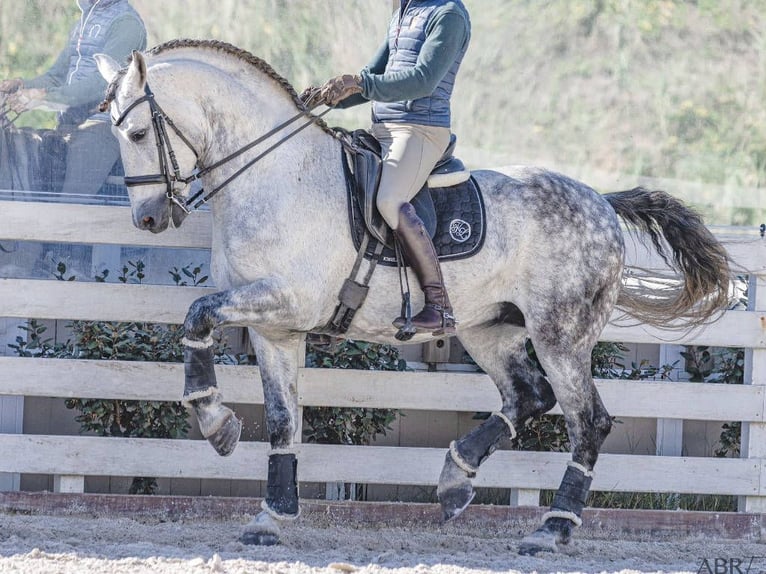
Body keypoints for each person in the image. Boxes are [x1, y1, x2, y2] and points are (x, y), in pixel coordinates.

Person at [303, 0, 471, 336]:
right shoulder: (404, 12)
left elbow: (423, 80)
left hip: (419, 129)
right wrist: (331, 96)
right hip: (382, 127)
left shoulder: (449, 14)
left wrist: (362, 84)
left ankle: (439, 305)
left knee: (390, 201)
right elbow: (373, 76)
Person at [0, 0, 146, 198]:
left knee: (69, 202)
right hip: (70, 122)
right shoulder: (86, 19)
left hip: (103, 125)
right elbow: (56, 76)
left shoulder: (126, 23)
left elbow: (101, 83)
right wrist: (22, 85)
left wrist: (45, 97)